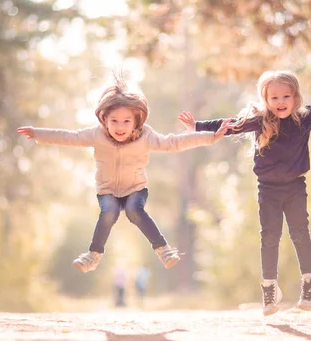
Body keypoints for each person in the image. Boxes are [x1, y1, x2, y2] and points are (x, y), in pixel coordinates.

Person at [18, 76, 230, 273]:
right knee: (109, 210)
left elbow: (174, 142)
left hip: (135, 189)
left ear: (136, 121)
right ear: (104, 119)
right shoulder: (96, 135)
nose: (120, 127)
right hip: (107, 190)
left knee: (133, 210)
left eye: (126, 121)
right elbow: (68, 137)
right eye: (114, 121)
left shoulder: (146, 136)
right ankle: (93, 255)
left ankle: (163, 249)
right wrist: (38, 134)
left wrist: (210, 136)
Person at [178, 70, 311, 316]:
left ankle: (309, 284)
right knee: (269, 237)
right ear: (265, 99)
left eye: (286, 96)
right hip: (268, 190)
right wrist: (196, 125)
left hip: (295, 187)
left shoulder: (305, 118)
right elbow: (229, 125)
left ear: (295, 97)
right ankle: (269, 289)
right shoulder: (260, 120)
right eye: (274, 97)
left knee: (300, 233)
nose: (280, 102)